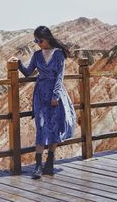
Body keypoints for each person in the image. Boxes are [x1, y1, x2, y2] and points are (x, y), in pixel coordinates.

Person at [11, 26, 76, 179]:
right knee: (40, 127)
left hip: (54, 95)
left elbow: (60, 77)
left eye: (40, 40)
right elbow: (28, 72)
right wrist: (18, 63)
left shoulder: (59, 55)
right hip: (40, 94)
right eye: (36, 40)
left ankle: (50, 162)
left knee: (53, 127)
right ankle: (38, 165)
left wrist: (55, 96)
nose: (38, 43)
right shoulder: (37, 55)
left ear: (48, 38)